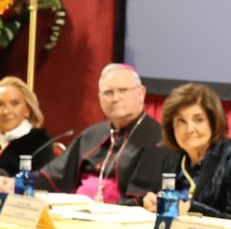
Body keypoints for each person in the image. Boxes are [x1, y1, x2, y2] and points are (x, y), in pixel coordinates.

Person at [29, 63, 167, 202]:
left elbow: (141, 196)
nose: (115, 98)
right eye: (108, 92)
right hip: (75, 212)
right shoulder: (91, 134)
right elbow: (53, 175)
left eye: (123, 90)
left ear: (141, 93)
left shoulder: (157, 138)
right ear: (100, 98)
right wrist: (19, 182)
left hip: (120, 217)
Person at [137, 83, 231, 222]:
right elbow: (169, 205)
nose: (190, 129)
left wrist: (190, 209)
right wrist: (156, 203)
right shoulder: (172, 160)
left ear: (212, 122)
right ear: (171, 127)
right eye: (181, 121)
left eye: (198, 120)